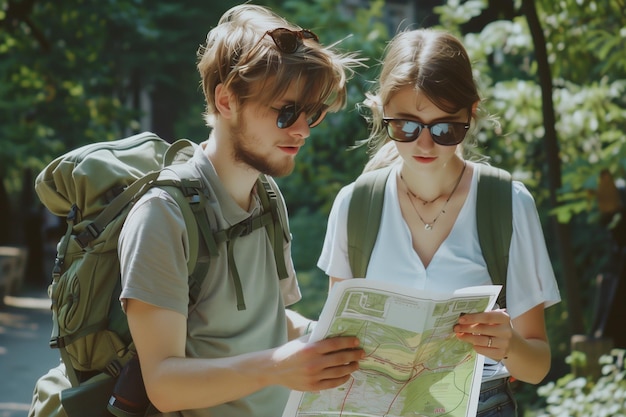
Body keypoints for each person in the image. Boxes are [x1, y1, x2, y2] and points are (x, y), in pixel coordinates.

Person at [118, 4, 365, 417]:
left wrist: (333, 341)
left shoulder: (266, 196)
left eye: (313, 113)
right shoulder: (163, 215)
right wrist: (275, 368)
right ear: (226, 100)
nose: (302, 130)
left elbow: (271, 318)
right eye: (286, 112)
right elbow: (163, 384)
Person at [317, 28, 561, 416]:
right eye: (406, 126)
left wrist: (510, 345)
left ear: (471, 114)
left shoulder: (508, 204)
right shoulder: (355, 205)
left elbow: (537, 365)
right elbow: (337, 353)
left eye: (445, 128)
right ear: (383, 114)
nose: (424, 145)